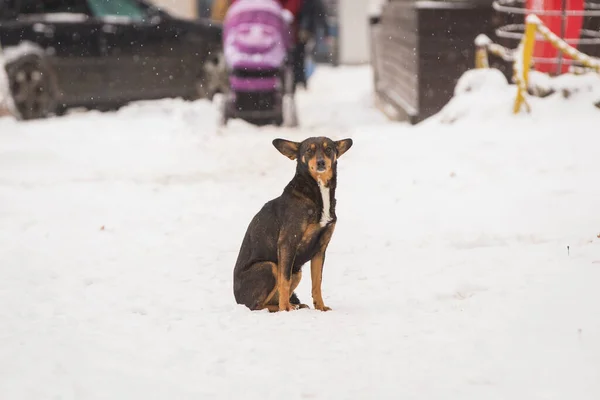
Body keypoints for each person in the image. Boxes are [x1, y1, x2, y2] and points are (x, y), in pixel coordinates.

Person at [295, 0, 332, 88]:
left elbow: (321, 16)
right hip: (306, 31)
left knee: (303, 56)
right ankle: (301, 79)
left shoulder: (311, 3)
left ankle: (301, 79)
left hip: (305, 31)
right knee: (303, 56)